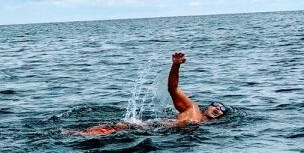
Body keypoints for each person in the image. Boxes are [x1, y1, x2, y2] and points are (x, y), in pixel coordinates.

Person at [71, 52, 229, 136]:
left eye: (223, 110)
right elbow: (173, 89)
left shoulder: (208, 130)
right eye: (216, 105)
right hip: (154, 127)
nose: (218, 109)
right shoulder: (192, 109)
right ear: (207, 107)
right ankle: (77, 134)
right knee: (118, 128)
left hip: (161, 135)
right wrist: (176, 66)